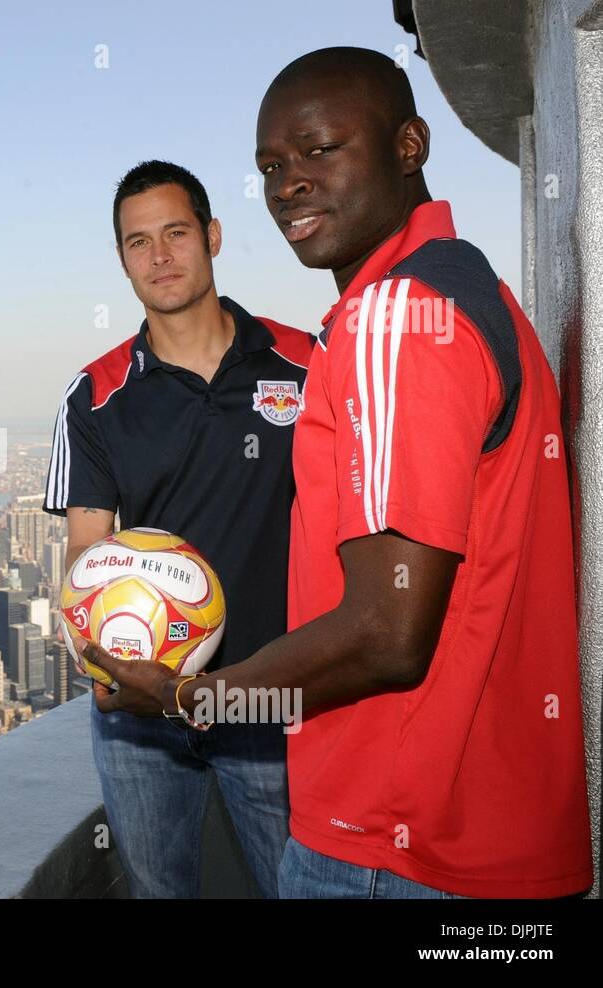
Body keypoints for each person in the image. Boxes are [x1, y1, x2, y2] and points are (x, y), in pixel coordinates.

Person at [82, 48, 593, 898]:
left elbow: (387, 636)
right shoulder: (473, 291)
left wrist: (191, 703)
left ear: (409, 145)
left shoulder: (395, 319)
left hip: (394, 849)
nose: (289, 185)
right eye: (272, 168)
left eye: (320, 150)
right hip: (489, 842)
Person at [43, 160, 314, 897]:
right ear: (122, 259)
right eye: (138, 242)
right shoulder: (96, 394)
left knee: (303, 889)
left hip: (272, 697)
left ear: (213, 236)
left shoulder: (304, 363)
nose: (159, 257)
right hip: (141, 713)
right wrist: (101, 661)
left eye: (175, 233)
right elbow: (85, 554)